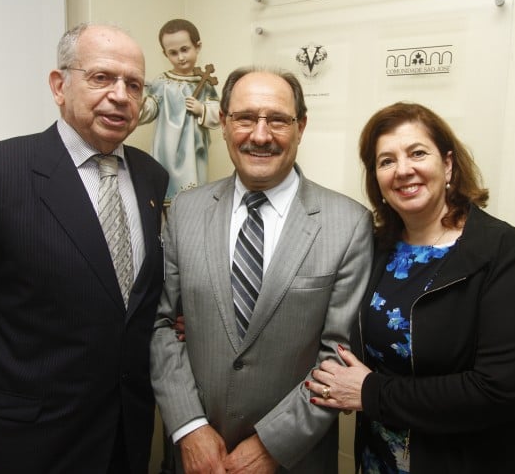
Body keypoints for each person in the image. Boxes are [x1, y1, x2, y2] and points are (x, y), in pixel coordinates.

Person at [0, 23, 169, 473]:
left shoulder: (151, 177)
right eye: (101, 77)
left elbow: (128, 305)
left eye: (133, 84)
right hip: (26, 448)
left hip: (125, 441)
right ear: (59, 85)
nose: (120, 96)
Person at [306, 102, 515, 473]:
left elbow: (500, 389)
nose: (403, 170)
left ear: (448, 164)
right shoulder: (374, 248)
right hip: (380, 460)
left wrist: (370, 393)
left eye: (417, 153)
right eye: (386, 161)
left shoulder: (505, 253)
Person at [150, 66, 373, 473]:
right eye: (245, 118)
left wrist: (272, 446)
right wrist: (189, 426)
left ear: (301, 127)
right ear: (223, 122)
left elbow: (339, 355)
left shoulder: (349, 224)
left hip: (294, 460)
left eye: (278, 120)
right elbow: (162, 325)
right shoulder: (185, 210)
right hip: (195, 457)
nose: (260, 135)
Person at [142, 18, 221, 203]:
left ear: (197, 46)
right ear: (165, 54)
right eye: (173, 53)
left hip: (194, 147)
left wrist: (201, 109)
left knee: (194, 193)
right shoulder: (162, 82)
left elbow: (219, 113)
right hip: (167, 148)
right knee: (165, 191)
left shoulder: (205, 82)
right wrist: (138, 101)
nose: (181, 57)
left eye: (185, 49)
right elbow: (151, 108)